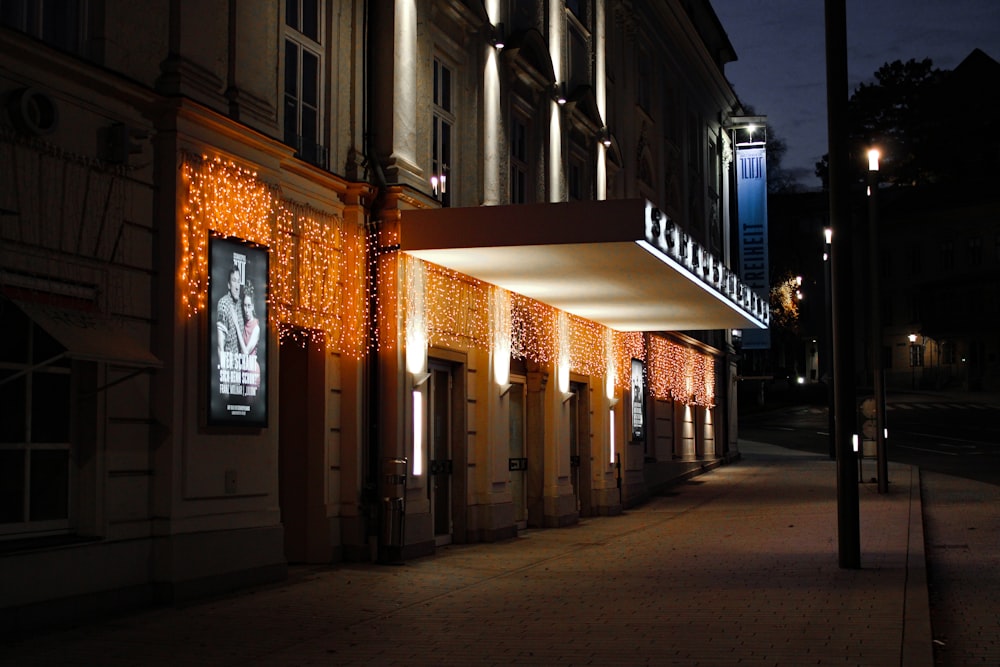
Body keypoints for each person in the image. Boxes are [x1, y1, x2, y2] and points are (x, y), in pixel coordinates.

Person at [216, 265, 242, 362]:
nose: (237, 286)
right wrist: (225, 372)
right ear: (229, 284)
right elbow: (220, 346)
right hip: (229, 371)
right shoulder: (223, 304)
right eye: (234, 281)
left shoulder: (240, 304)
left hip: (241, 370)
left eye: (238, 281)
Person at [238, 280, 261, 388]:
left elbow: (245, 351)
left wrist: (237, 329)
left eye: (248, 306)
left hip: (252, 372)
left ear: (252, 306)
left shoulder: (256, 327)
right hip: (243, 372)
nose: (246, 309)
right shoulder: (243, 322)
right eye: (244, 306)